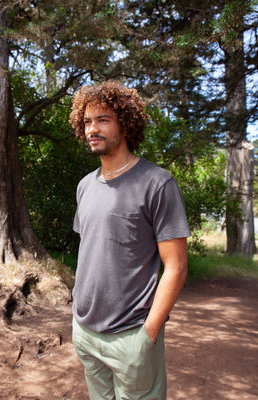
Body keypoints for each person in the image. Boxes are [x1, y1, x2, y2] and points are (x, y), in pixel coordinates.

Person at [69, 80, 190, 400]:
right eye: (87, 122)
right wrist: (77, 320)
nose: (92, 129)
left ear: (126, 122)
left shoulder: (158, 184)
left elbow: (176, 267)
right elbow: (93, 252)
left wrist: (149, 332)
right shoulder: (84, 186)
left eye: (103, 119)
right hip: (85, 332)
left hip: (132, 336)